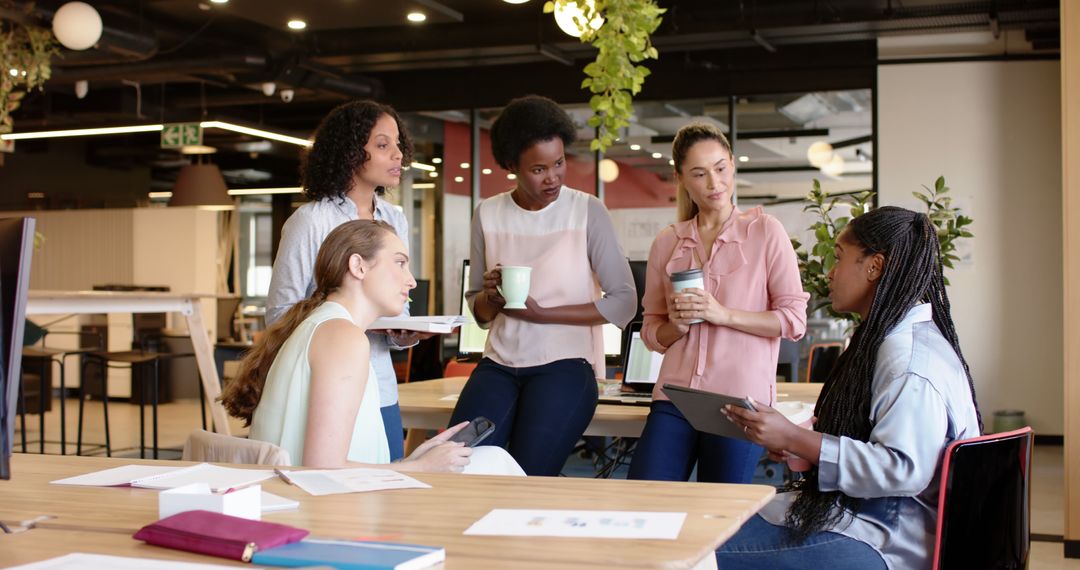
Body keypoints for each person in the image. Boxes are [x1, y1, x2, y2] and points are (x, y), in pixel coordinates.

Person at [716, 206, 982, 569]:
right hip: (862, 518)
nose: (830, 273)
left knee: (696, 550)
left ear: (875, 267)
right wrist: (803, 448)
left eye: (839, 259)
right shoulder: (895, 337)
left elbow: (902, 469)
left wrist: (795, 438)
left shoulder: (908, 358)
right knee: (713, 524)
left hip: (886, 539)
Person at [447, 95, 637, 476]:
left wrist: (542, 315)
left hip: (565, 366)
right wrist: (491, 298)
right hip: (498, 364)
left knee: (529, 474)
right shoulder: (487, 212)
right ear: (511, 166)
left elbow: (624, 303)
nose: (553, 177)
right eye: (538, 168)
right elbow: (480, 314)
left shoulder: (586, 210)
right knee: (456, 462)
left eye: (559, 163)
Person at [627, 123, 809, 484]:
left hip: (740, 402)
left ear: (732, 166)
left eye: (721, 168)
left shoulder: (765, 232)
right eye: (699, 173)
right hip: (676, 396)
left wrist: (722, 315)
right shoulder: (668, 242)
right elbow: (651, 333)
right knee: (644, 498)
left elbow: (793, 321)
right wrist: (675, 327)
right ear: (681, 178)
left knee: (717, 514)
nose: (714, 183)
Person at [222, 220, 471, 470]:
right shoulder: (343, 337)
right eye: (400, 263)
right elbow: (324, 468)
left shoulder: (323, 326)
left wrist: (413, 460)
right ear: (358, 266)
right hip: (331, 505)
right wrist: (421, 467)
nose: (411, 281)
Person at [266, 100, 424, 461]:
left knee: (384, 494)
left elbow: (395, 301)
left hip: (381, 385)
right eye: (383, 145)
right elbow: (278, 315)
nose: (398, 154)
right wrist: (345, 324)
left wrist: (401, 331)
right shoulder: (311, 221)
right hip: (325, 388)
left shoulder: (394, 218)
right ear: (351, 153)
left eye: (398, 144)